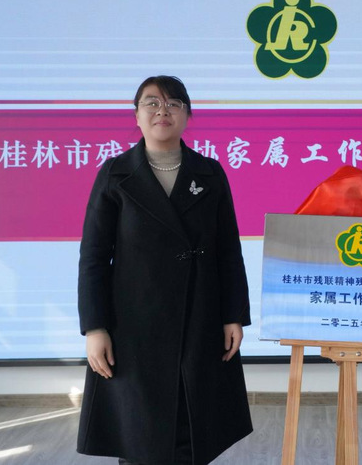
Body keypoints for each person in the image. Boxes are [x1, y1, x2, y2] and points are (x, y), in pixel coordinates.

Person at [76, 75, 252, 465]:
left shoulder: (210, 173)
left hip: (199, 316)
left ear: (187, 115)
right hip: (132, 325)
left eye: (173, 103)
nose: (162, 111)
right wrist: (95, 327)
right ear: (136, 115)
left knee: (191, 426)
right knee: (139, 433)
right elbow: (93, 257)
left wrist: (233, 315)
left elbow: (228, 250)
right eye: (152, 103)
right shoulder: (115, 174)